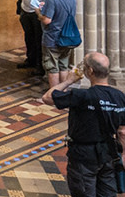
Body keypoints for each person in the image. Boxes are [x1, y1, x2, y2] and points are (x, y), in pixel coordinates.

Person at [43, 52, 125, 197]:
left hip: (83, 155)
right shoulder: (119, 97)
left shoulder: (81, 96)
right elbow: (122, 132)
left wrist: (69, 81)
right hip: (108, 153)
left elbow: (48, 98)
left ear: (90, 71)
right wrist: (122, 157)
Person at [37, 0, 78, 89]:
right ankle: (62, 91)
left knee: (52, 66)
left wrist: (38, 12)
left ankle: (53, 95)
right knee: (63, 65)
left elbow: (47, 20)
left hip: (53, 38)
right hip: (68, 37)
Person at [16, 0, 48, 76]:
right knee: (28, 37)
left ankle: (40, 65)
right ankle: (30, 59)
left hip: (37, 12)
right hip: (25, 9)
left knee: (38, 38)